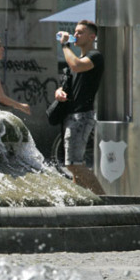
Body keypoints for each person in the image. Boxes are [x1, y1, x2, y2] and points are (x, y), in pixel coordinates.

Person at [55, 20, 105, 195]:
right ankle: (82, 205)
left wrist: (65, 45)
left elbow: (76, 65)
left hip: (82, 116)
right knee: (76, 168)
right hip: (70, 115)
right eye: (75, 32)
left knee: (73, 164)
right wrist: (59, 92)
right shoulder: (77, 61)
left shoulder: (95, 56)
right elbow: (67, 85)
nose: (75, 35)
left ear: (92, 37)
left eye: (80, 32)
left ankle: (107, 204)